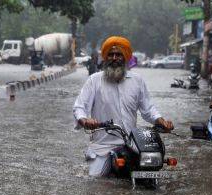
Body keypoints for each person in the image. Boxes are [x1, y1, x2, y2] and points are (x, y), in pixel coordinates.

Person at [73, 36, 174, 177]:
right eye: (111, 54)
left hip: (133, 145)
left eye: (119, 54)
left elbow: (148, 109)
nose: (115, 58)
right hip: (103, 147)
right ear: (105, 58)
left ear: (125, 57)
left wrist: (160, 120)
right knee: (95, 178)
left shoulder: (137, 81)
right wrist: (85, 120)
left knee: (153, 171)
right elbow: (79, 107)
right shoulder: (94, 81)